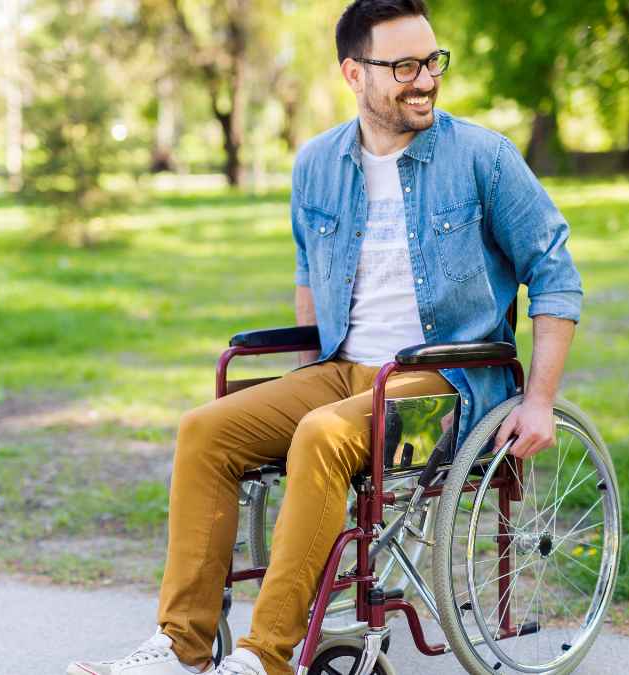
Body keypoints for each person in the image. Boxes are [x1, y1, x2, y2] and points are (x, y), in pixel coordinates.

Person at [68, 1, 582, 673]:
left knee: (323, 433)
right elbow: (309, 276)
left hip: (449, 389)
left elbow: (555, 272)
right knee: (204, 430)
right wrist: (309, 384)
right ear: (353, 73)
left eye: (432, 61)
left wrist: (539, 399)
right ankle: (183, 645)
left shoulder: (484, 158)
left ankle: (265, 656)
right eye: (403, 66)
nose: (425, 79)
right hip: (345, 372)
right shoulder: (317, 164)